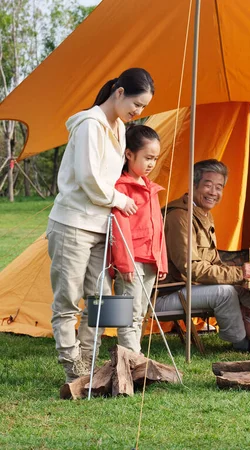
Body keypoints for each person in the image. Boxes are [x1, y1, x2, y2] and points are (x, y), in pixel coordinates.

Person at [46, 68, 155, 382]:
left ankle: (91, 361)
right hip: (72, 223)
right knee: (68, 299)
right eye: (137, 103)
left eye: (143, 107)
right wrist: (120, 201)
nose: (139, 111)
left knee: (101, 298)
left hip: (100, 225)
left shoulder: (120, 127)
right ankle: (73, 366)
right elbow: (89, 178)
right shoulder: (89, 124)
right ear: (119, 92)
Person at [155, 159, 250, 351]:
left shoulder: (202, 214)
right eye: (208, 185)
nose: (214, 193)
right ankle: (241, 343)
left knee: (240, 288)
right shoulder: (180, 217)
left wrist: (238, 276)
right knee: (225, 293)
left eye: (219, 187)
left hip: (189, 288)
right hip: (167, 295)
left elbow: (213, 260)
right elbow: (190, 267)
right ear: (193, 184)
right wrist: (237, 272)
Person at [110, 125, 168, 354]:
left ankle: (134, 357)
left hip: (150, 262)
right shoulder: (121, 188)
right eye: (147, 158)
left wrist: (161, 260)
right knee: (128, 314)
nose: (152, 163)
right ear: (129, 154)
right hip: (131, 263)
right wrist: (124, 264)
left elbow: (158, 227)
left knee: (140, 313)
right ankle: (133, 360)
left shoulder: (149, 187)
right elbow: (119, 228)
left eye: (155, 158)